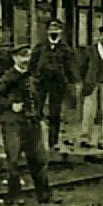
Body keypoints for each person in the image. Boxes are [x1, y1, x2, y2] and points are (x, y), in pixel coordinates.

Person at [0, 44, 58, 205]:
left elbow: (37, 97)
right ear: (15, 58)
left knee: (38, 159)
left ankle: (44, 195)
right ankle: (14, 196)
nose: (26, 60)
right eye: (22, 56)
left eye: (28, 56)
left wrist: (39, 115)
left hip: (31, 123)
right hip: (13, 124)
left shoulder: (31, 77)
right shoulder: (8, 77)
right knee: (13, 160)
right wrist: (10, 105)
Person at [31, 20, 75, 152]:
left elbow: (70, 68)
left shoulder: (65, 49)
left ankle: (53, 142)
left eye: (56, 28)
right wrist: (35, 77)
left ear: (61, 32)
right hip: (41, 83)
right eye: (51, 28)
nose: (53, 31)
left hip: (57, 85)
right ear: (47, 31)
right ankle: (35, 141)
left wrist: (69, 82)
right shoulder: (40, 47)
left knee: (55, 113)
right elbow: (32, 64)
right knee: (37, 111)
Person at [77, 24, 103, 150]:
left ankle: (102, 139)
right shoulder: (89, 50)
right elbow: (82, 67)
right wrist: (84, 81)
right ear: (99, 36)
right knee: (89, 111)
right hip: (91, 84)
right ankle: (85, 138)